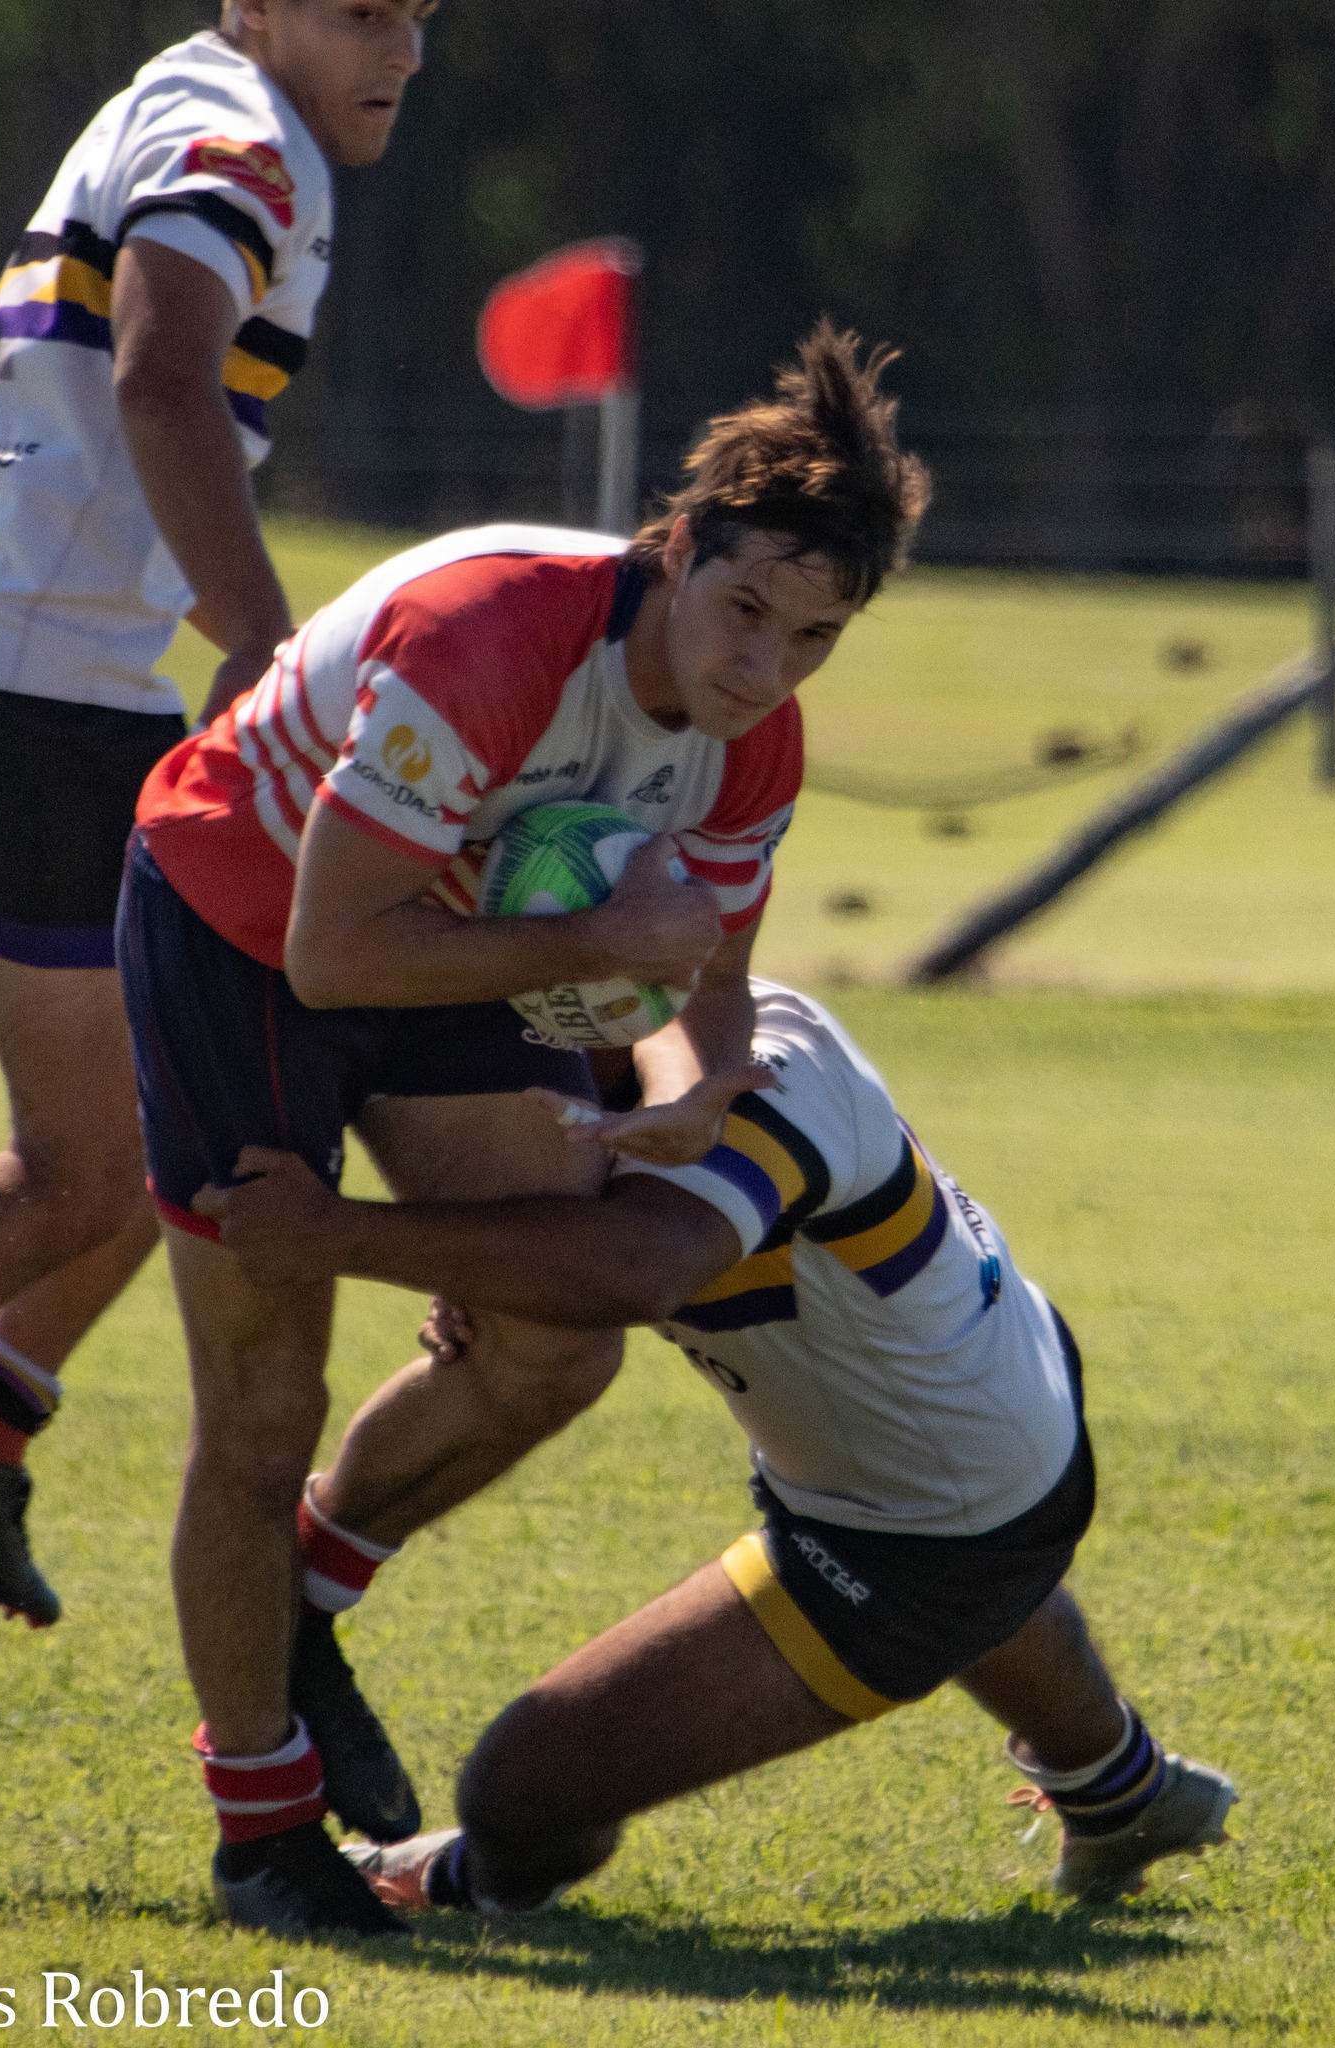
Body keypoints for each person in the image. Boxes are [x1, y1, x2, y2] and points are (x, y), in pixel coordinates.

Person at [114, 327, 932, 1934]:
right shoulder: (487, 638)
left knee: (555, 1342)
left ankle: (301, 1599)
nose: (763, 666)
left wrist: (686, 1088)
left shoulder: (751, 739)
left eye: (813, 637)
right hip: (239, 922)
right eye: (744, 609)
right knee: (264, 1401)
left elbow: (708, 973)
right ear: (675, 546)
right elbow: (328, 954)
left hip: (453, 938)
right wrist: (596, 949)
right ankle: (261, 1833)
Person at [199, 979, 1238, 1913]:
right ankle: (1124, 1792)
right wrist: (487, 1260)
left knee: (517, 1787)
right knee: (968, 1561)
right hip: (982, 1406)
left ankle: (452, 1880)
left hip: (927, 1507)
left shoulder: (762, 1071)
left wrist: (341, 1232)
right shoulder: (631, 1074)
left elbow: (639, 1263)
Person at [0, 0, 433, 1629]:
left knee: (174, 1116)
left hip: (8, 664)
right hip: (30, 689)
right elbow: (164, 382)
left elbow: (121, 433)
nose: (399, 48)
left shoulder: (198, 101)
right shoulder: (240, 141)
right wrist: (264, 647)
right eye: (359, 10)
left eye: (418, 12)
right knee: (90, 1168)